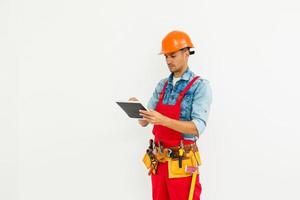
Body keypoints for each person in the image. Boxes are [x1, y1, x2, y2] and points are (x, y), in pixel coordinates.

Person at [130, 30, 212, 200]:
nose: (168, 61)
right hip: (158, 163)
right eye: (166, 56)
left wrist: (163, 120)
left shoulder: (200, 86)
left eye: (173, 56)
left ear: (186, 53)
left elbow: (197, 128)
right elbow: (144, 122)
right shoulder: (162, 85)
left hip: (182, 165)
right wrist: (137, 110)